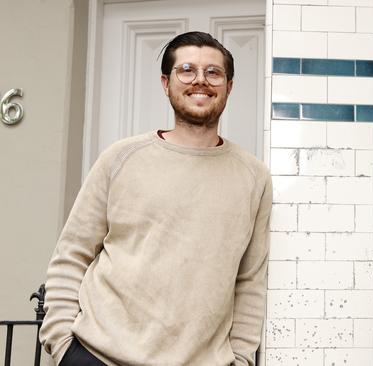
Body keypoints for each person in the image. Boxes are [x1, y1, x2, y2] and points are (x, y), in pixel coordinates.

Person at [40, 31, 272, 366]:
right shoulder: (120, 158)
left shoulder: (254, 177)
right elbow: (71, 254)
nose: (200, 81)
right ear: (166, 83)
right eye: (187, 70)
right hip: (97, 356)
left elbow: (250, 281)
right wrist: (62, 343)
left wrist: (241, 358)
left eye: (213, 72)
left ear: (229, 86)